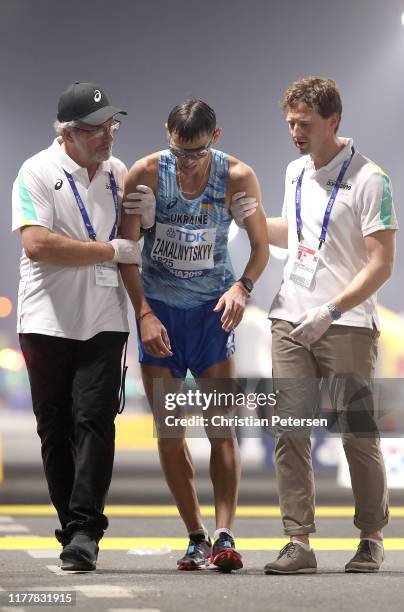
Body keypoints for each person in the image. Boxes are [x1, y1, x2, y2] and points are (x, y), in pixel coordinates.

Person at [233, 75, 397, 574]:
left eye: (303, 124)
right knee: (290, 430)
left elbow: (382, 262)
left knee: (357, 433)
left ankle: (370, 537)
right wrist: (250, 217)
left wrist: (332, 310)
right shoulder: (294, 172)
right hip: (289, 317)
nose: (295, 132)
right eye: (289, 123)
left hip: (344, 323)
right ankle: (298, 541)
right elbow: (298, 233)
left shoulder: (372, 180)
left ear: (333, 121)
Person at [119, 98, 269, 572]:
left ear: (216, 138)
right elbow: (126, 250)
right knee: (169, 431)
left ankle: (226, 535)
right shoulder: (145, 172)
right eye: (178, 152)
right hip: (160, 311)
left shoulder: (238, 176)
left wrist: (242, 288)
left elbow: (261, 247)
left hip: (210, 314)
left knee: (220, 427)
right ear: (167, 133)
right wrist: (142, 311)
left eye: (196, 153)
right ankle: (195, 535)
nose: (186, 162)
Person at [12, 82, 143, 571]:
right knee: (55, 427)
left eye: (111, 124)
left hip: (105, 318)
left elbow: (130, 242)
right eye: (95, 129)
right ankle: (71, 524)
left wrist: (142, 224)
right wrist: (108, 250)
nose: (107, 135)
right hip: (46, 319)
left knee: (95, 421)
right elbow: (38, 244)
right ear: (67, 134)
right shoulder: (37, 171)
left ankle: (86, 529)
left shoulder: (118, 172)